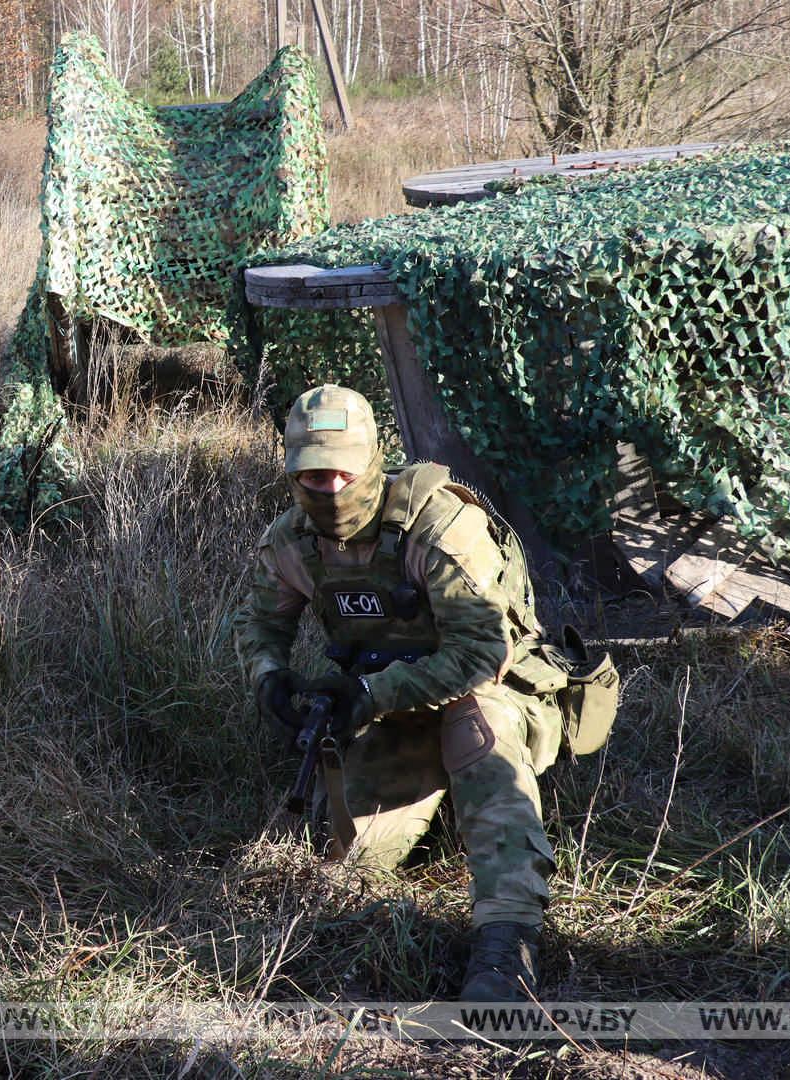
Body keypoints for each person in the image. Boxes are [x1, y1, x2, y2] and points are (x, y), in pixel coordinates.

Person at [232, 384, 563, 1001]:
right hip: (390, 707)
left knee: (477, 742)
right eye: (311, 475)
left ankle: (505, 944)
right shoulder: (293, 542)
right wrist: (268, 676)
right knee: (354, 863)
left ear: (371, 461)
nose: (328, 490)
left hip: (489, 691)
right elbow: (259, 624)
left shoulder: (436, 527)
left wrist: (372, 692)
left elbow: (482, 652)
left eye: (341, 473)